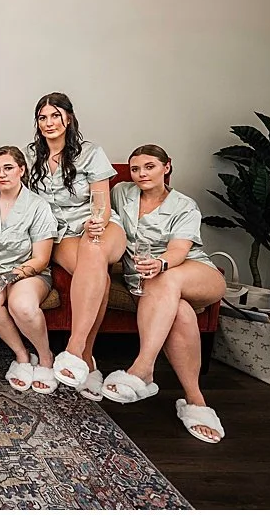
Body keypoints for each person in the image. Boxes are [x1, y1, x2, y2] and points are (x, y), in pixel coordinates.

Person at [100, 145, 227, 444]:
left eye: (150, 166)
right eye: (135, 169)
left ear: (166, 167)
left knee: (166, 279)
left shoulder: (184, 205)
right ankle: (195, 400)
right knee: (180, 312)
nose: (141, 174)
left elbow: (180, 250)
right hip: (144, 281)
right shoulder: (121, 193)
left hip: (191, 271)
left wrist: (161, 263)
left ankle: (143, 368)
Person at [24, 92, 123, 398]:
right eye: (43, 117)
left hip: (98, 226)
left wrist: (97, 222)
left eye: (55, 115)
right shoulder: (31, 155)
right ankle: (88, 361)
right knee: (98, 276)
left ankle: (74, 347)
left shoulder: (90, 153)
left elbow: (101, 202)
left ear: (68, 118)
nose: (49, 123)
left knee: (94, 250)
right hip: (61, 234)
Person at [0, 146, 60, 395]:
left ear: (21, 170)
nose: (2, 174)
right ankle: (22, 356)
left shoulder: (38, 205)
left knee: (23, 306)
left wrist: (5, 279)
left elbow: (41, 258)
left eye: (8, 168)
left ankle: (45, 357)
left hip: (27, 272)